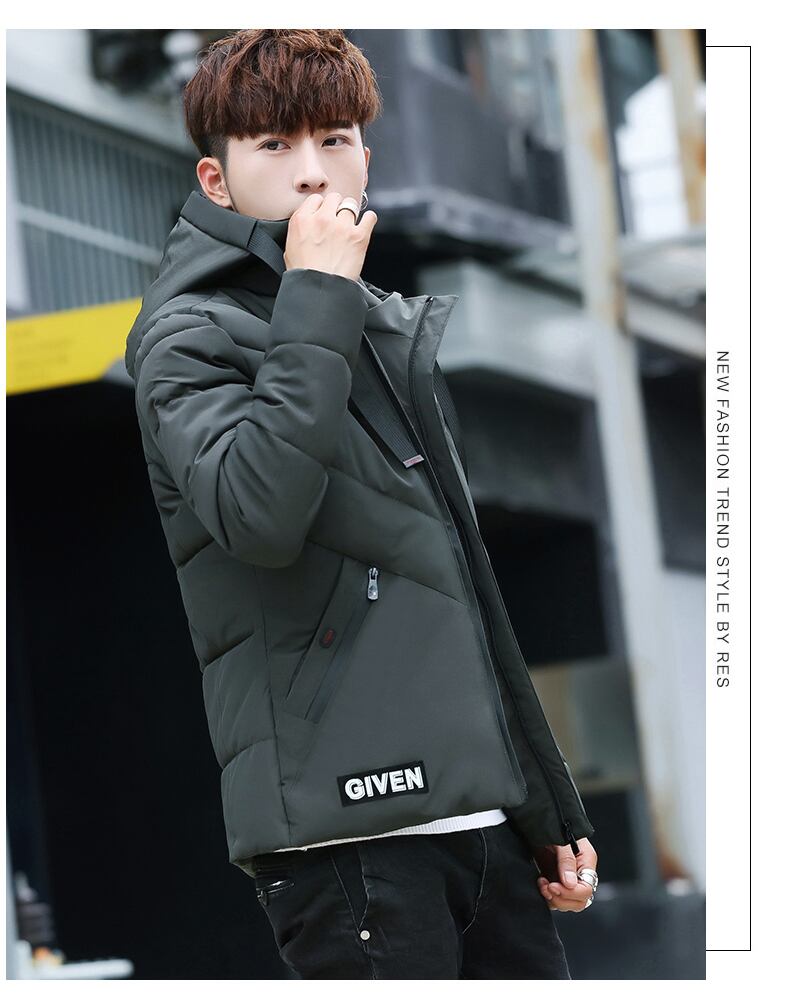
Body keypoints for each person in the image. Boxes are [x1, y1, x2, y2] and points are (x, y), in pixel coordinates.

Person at [125, 28, 599, 979]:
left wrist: (543, 804)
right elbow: (257, 514)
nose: (312, 170)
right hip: (347, 842)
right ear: (217, 181)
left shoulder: (374, 319)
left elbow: (460, 584)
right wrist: (315, 292)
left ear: (366, 161)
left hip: (480, 824)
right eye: (274, 145)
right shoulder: (187, 337)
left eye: (334, 139)